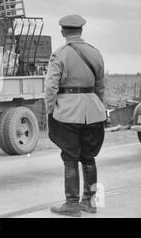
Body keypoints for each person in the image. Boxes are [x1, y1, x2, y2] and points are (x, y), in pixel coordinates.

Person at [45, 14, 106, 217]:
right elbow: (100, 86)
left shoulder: (60, 54)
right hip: (93, 111)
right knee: (89, 157)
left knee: (70, 157)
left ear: (63, 32)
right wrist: (97, 106)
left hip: (67, 113)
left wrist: (50, 110)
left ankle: (72, 204)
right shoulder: (95, 53)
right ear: (81, 31)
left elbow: (51, 87)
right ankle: (90, 202)